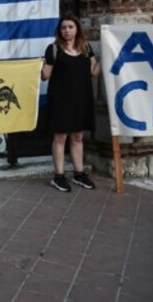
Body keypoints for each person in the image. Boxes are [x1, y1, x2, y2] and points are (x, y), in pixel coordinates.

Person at [41, 13, 101, 192]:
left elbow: (95, 72)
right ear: (60, 30)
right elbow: (46, 76)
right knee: (60, 137)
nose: (67, 30)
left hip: (81, 99)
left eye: (70, 27)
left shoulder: (86, 48)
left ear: (77, 29)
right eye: (64, 27)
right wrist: (40, 66)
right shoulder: (53, 49)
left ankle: (79, 174)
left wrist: (107, 56)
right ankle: (58, 176)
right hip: (60, 99)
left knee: (78, 137)